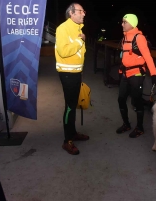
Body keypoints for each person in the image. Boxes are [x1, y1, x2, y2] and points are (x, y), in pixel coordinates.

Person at [116, 14, 156, 138]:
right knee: (121, 99)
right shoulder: (125, 38)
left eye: (124, 22)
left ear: (132, 24)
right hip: (125, 73)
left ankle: (140, 128)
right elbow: (124, 57)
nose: (122, 24)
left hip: (136, 74)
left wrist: (154, 74)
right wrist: (120, 71)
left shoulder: (139, 38)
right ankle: (126, 124)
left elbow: (148, 57)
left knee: (136, 100)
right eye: (122, 21)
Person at [55, 3, 89, 155]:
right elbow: (63, 51)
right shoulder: (63, 28)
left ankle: (73, 133)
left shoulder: (78, 29)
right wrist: (80, 41)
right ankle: (67, 141)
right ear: (72, 13)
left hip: (76, 73)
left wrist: (82, 39)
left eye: (83, 11)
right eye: (81, 11)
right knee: (69, 106)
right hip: (67, 74)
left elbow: (80, 53)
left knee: (73, 104)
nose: (84, 14)